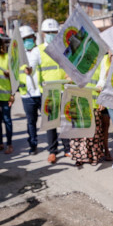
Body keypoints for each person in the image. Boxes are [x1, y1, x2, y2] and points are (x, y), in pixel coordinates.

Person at [38, 18, 70, 163]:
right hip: (48, 90)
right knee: (51, 123)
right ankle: (52, 151)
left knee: (65, 121)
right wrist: (41, 89)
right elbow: (37, 72)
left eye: (54, 32)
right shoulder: (38, 50)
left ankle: (68, 148)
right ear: (43, 33)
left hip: (64, 88)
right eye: (48, 32)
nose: (51, 34)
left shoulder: (63, 48)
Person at [19, 25, 42, 155]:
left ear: (34, 38)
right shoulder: (18, 56)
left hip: (41, 91)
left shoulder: (39, 51)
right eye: (24, 39)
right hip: (27, 94)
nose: (28, 41)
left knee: (48, 121)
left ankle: (53, 147)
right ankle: (33, 145)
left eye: (29, 38)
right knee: (31, 122)